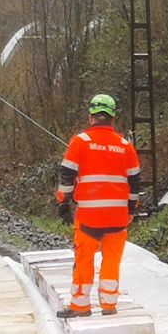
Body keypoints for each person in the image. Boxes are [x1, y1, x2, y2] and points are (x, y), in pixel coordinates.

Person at [54, 94, 141, 317]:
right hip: (118, 216)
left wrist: (63, 202)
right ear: (112, 118)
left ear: (91, 116)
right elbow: (135, 183)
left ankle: (80, 306)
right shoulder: (125, 146)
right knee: (111, 260)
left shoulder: (80, 141)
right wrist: (131, 210)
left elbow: (67, 176)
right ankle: (109, 305)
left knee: (84, 259)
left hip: (89, 215)